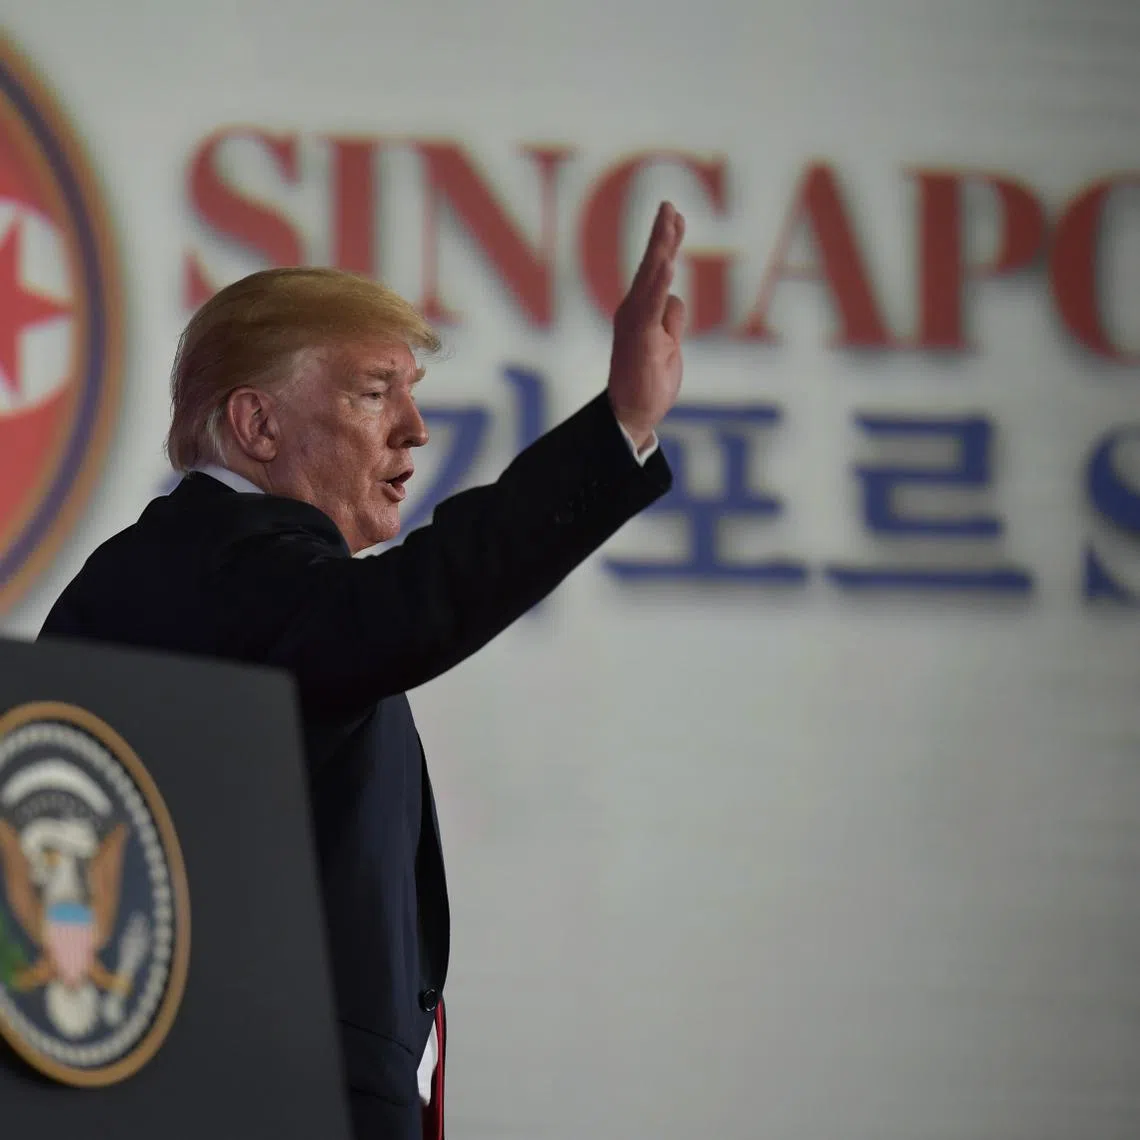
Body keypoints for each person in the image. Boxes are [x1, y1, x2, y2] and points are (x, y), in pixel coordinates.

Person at [38, 201, 687, 1138]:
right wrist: (617, 427)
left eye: (411, 391)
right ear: (257, 425)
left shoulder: (185, 574)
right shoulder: (222, 566)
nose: (415, 429)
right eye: (375, 392)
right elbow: (420, 600)